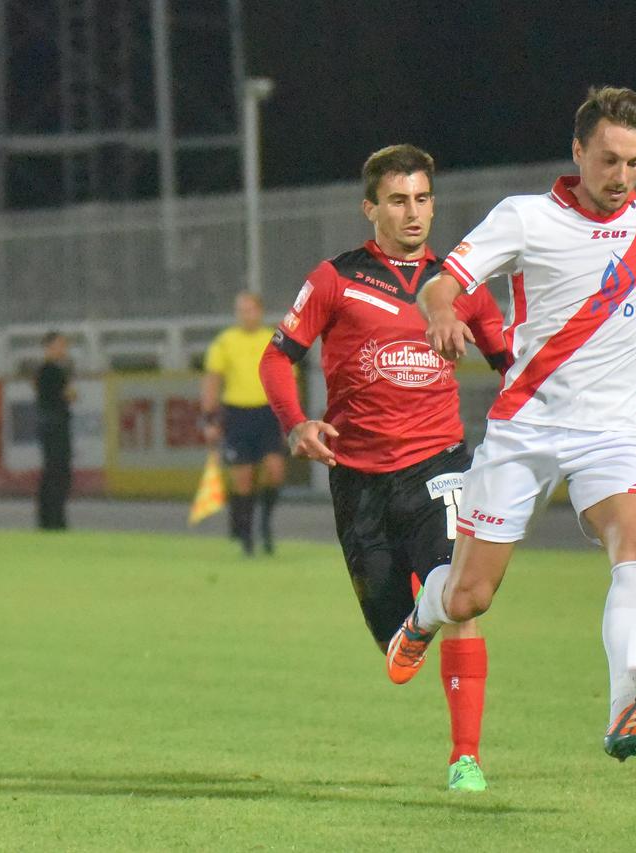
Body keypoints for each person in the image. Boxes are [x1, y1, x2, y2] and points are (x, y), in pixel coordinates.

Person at [385, 87, 636, 764]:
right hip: (528, 429)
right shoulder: (525, 219)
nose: (622, 178)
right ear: (578, 150)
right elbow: (445, 280)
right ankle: (421, 614)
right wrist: (441, 312)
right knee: (471, 594)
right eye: (610, 160)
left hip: (614, 429)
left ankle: (627, 707)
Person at [260, 144, 509, 791]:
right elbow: (274, 358)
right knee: (393, 644)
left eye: (423, 198)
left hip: (438, 465)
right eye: (398, 200)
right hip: (358, 477)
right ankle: (414, 623)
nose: (413, 212)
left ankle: (466, 758)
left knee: (461, 598)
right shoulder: (335, 279)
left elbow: (512, 364)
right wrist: (297, 423)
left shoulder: (459, 288)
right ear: (370, 207)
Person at [200, 292, 286, 555]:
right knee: (243, 478)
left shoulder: (273, 339)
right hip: (237, 414)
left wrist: (291, 418)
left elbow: (286, 380)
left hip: (268, 412)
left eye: (250, 309)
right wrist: (210, 418)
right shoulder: (226, 342)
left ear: (259, 311)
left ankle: (265, 525)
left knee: (274, 471)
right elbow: (213, 380)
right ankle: (247, 536)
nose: (246, 315)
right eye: (241, 310)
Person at [36, 331, 75, 530]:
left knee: (54, 473)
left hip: (50, 425)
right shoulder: (51, 371)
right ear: (50, 346)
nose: (64, 349)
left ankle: (50, 519)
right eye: (61, 345)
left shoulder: (46, 370)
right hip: (55, 426)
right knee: (56, 473)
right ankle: (53, 519)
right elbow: (67, 395)